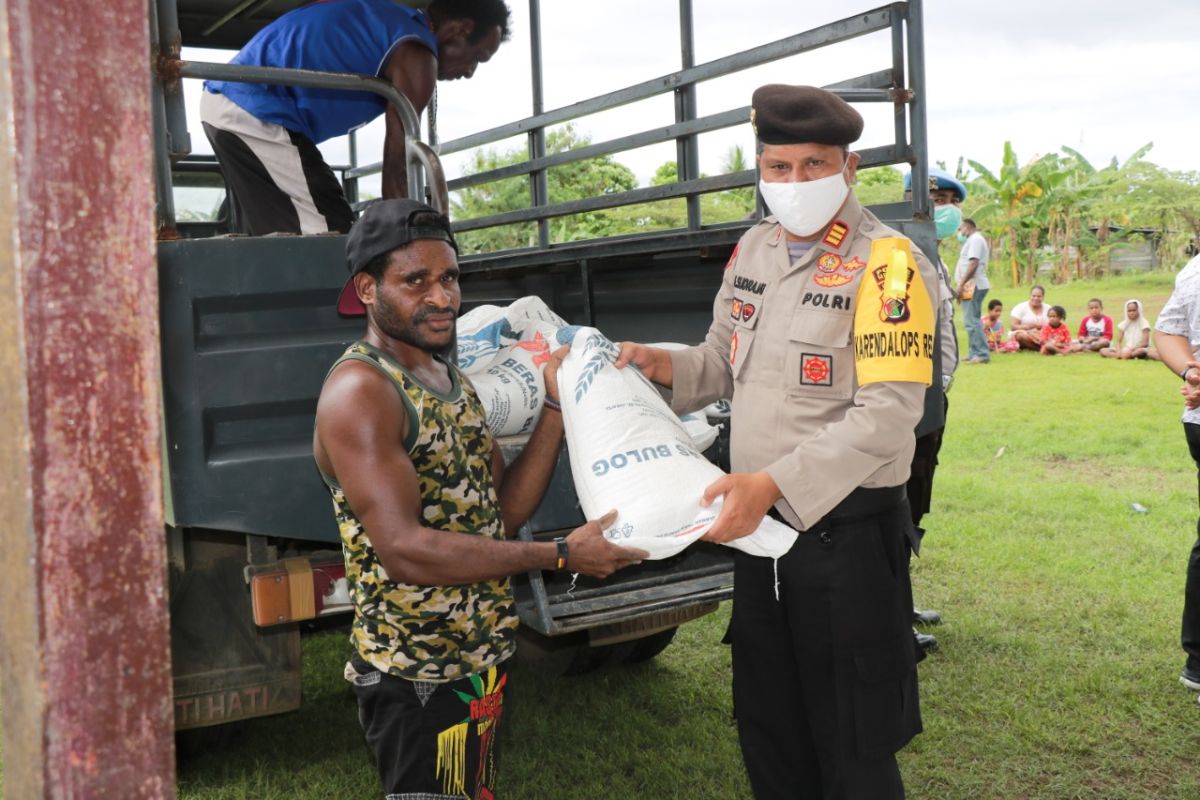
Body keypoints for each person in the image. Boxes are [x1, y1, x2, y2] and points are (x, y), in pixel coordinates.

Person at [615, 84, 932, 799]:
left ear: (849, 169)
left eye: (814, 165)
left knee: (853, 744)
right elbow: (721, 359)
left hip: (845, 539)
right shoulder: (754, 247)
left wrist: (773, 484)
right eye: (778, 167)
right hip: (761, 538)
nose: (795, 183)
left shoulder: (889, 265)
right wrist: (657, 363)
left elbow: (887, 413)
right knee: (770, 730)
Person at [312, 199, 646, 798]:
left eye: (450, 278)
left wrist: (551, 407)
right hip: (416, 674)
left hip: (481, 656)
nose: (443, 298)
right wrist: (561, 555)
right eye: (416, 281)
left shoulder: (451, 379)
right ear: (367, 288)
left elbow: (498, 513)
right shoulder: (362, 391)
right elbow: (405, 551)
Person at [201, 0, 511, 235]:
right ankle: (334, 320)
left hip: (234, 105)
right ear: (460, 30)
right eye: (478, 57)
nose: (470, 72)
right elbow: (396, 171)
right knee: (331, 232)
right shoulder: (417, 52)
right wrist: (413, 239)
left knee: (280, 232)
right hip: (252, 109)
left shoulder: (391, 23)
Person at [902, 166, 966, 651]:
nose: (944, 207)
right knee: (893, 505)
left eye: (946, 198)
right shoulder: (898, 254)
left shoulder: (936, 259)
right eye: (932, 198)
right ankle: (890, 617)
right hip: (906, 402)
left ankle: (899, 601)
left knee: (915, 501)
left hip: (931, 401)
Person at [1155, 254, 1200, 699]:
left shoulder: (1194, 268)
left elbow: (1167, 330)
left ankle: (1198, 663)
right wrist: (1192, 371)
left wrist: (1191, 369)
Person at [955, 216, 991, 364]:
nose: (959, 232)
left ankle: (981, 354)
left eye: (960, 229)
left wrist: (961, 284)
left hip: (973, 284)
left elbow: (973, 263)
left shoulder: (975, 239)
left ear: (968, 227)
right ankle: (973, 353)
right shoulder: (972, 240)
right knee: (970, 320)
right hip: (970, 284)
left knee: (972, 321)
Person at [1010, 285, 1050, 351]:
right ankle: (1042, 349)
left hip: (1043, 334)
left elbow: (1054, 324)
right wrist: (1030, 326)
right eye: (1033, 296)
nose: (1036, 298)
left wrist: (1042, 329)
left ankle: (1046, 347)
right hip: (1026, 334)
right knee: (1020, 336)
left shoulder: (1048, 308)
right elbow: (1013, 327)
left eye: (1039, 296)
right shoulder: (1020, 307)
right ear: (1030, 296)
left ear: (1043, 297)